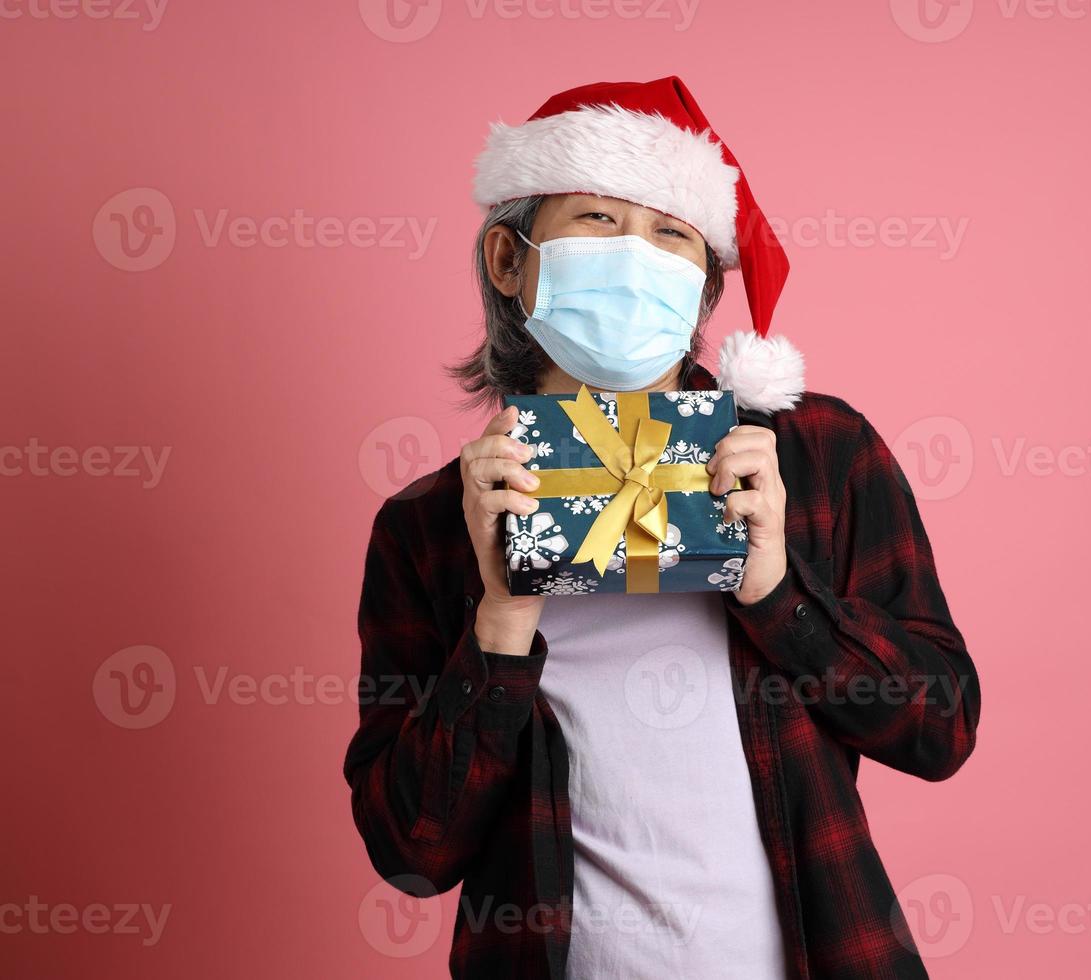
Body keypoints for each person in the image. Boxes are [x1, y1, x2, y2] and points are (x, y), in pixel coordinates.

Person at [343, 76, 980, 980]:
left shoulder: (820, 456)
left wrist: (776, 594)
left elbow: (941, 726)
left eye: (673, 233)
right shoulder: (428, 530)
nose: (637, 257)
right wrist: (500, 620)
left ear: (706, 285)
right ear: (508, 260)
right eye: (598, 220)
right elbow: (412, 850)